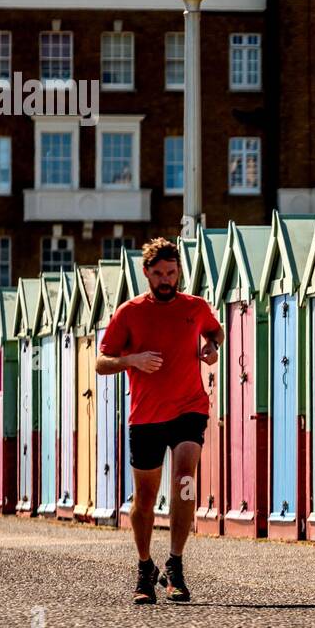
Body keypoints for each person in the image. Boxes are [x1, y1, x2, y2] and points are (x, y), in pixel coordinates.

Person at [97, 237, 223, 605]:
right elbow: (101, 362)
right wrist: (130, 361)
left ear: (179, 271)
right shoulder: (130, 312)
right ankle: (144, 566)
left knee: (185, 480)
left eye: (171, 272)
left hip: (189, 409)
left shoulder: (195, 307)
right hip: (146, 417)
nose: (166, 279)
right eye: (158, 274)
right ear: (146, 273)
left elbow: (214, 329)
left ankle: (176, 563)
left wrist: (212, 346)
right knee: (145, 500)